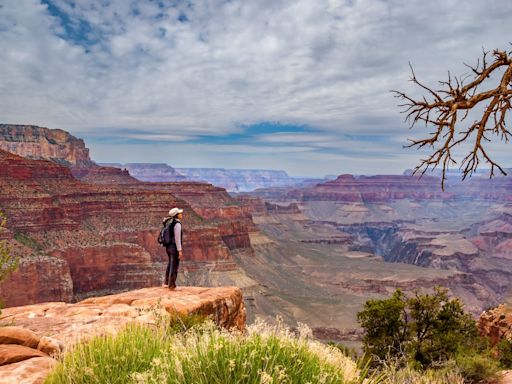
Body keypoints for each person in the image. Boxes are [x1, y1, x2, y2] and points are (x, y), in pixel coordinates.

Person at [163, 207, 183, 289]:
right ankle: (172, 285)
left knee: (170, 264)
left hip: (168, 247)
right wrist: (180, 250)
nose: (181, 214)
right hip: (174, 247)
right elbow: (177, 238)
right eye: (180, 213)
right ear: (176, 215)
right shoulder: (177, 224)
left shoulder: (169, 223)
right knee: (174, 265)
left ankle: (166, 283)